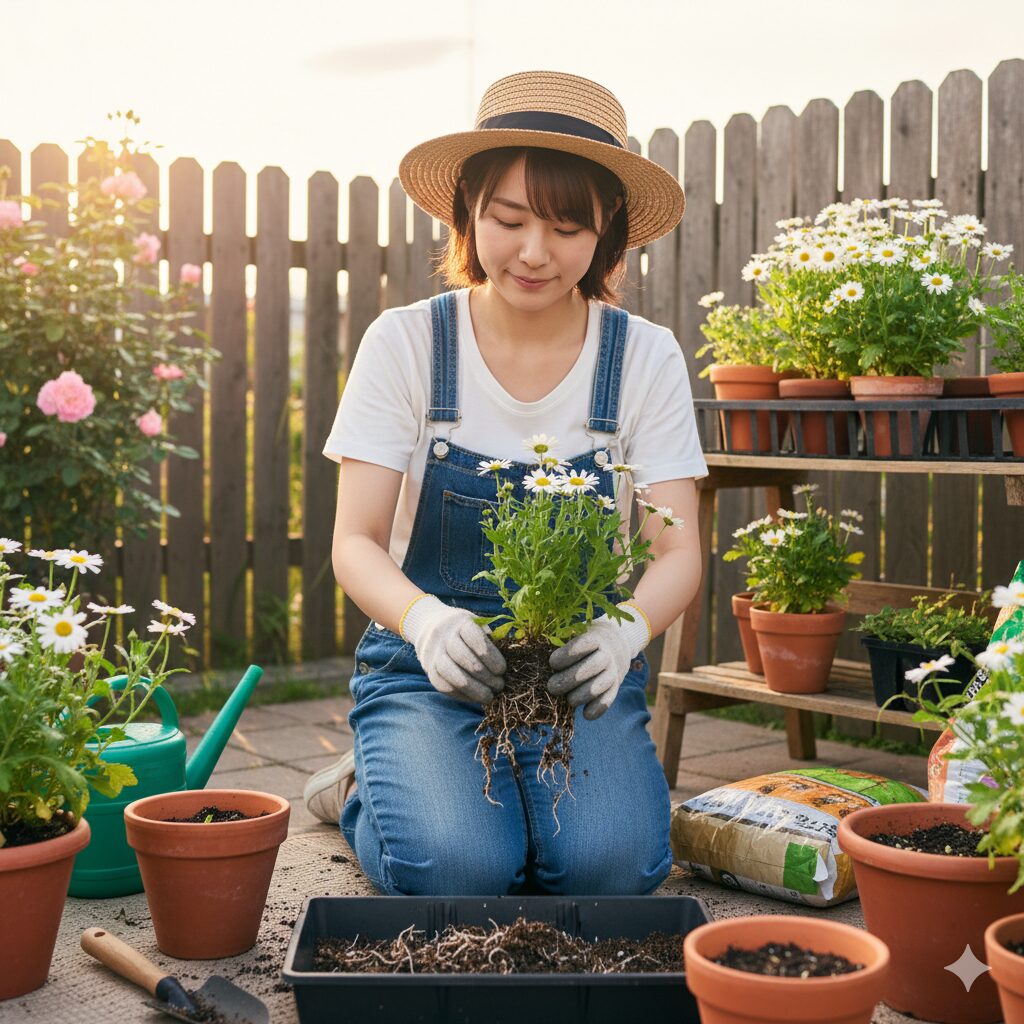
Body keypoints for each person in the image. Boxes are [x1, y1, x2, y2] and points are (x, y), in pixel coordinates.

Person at [303, 70, 707, 896]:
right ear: (468, 210)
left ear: (608, 227)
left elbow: (677, 552)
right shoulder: (408, 344)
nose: (533, 253)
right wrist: (424, 622)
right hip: (429, 666)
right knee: (457, 870)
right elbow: (354, 542)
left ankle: (487, 790)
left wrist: (624, 635)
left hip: (575, 671)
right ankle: (367, 783)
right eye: (509, 219)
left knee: (613, 870)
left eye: (566, 227)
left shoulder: (643, 356)